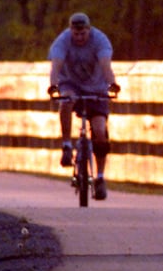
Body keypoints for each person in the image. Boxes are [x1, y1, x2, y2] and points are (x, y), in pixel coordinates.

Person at [47, 11, 120, 200]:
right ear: (70, 31)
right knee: (66, 101)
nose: (79, 38)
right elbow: (56, 65)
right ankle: (66, 146)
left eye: (83, 34)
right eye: (75, 34)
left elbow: (105, 64)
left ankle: (101, 177)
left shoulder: (100, 40)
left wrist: (112, 83)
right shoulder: (62, 41)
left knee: (100, 130)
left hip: (96, 87)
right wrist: (53, 85)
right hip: (70, 83)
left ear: (89, 30)